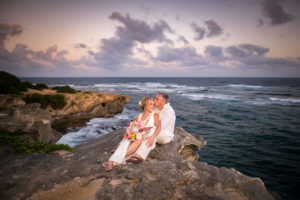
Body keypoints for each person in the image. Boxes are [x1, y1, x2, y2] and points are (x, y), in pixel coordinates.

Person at [103, 97, 161, 171]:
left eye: (153, 104)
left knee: (139, 139)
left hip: (147, 137)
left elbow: (159, 127)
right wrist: (128, 131)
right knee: (128, 139)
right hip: (137, 136)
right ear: (145, 105)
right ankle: (113, 161)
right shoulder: (138, 116)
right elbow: (130, 125)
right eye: (150, 104)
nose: (153, 106)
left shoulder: (155, 115)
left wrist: (153, 137)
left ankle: (111, 161)